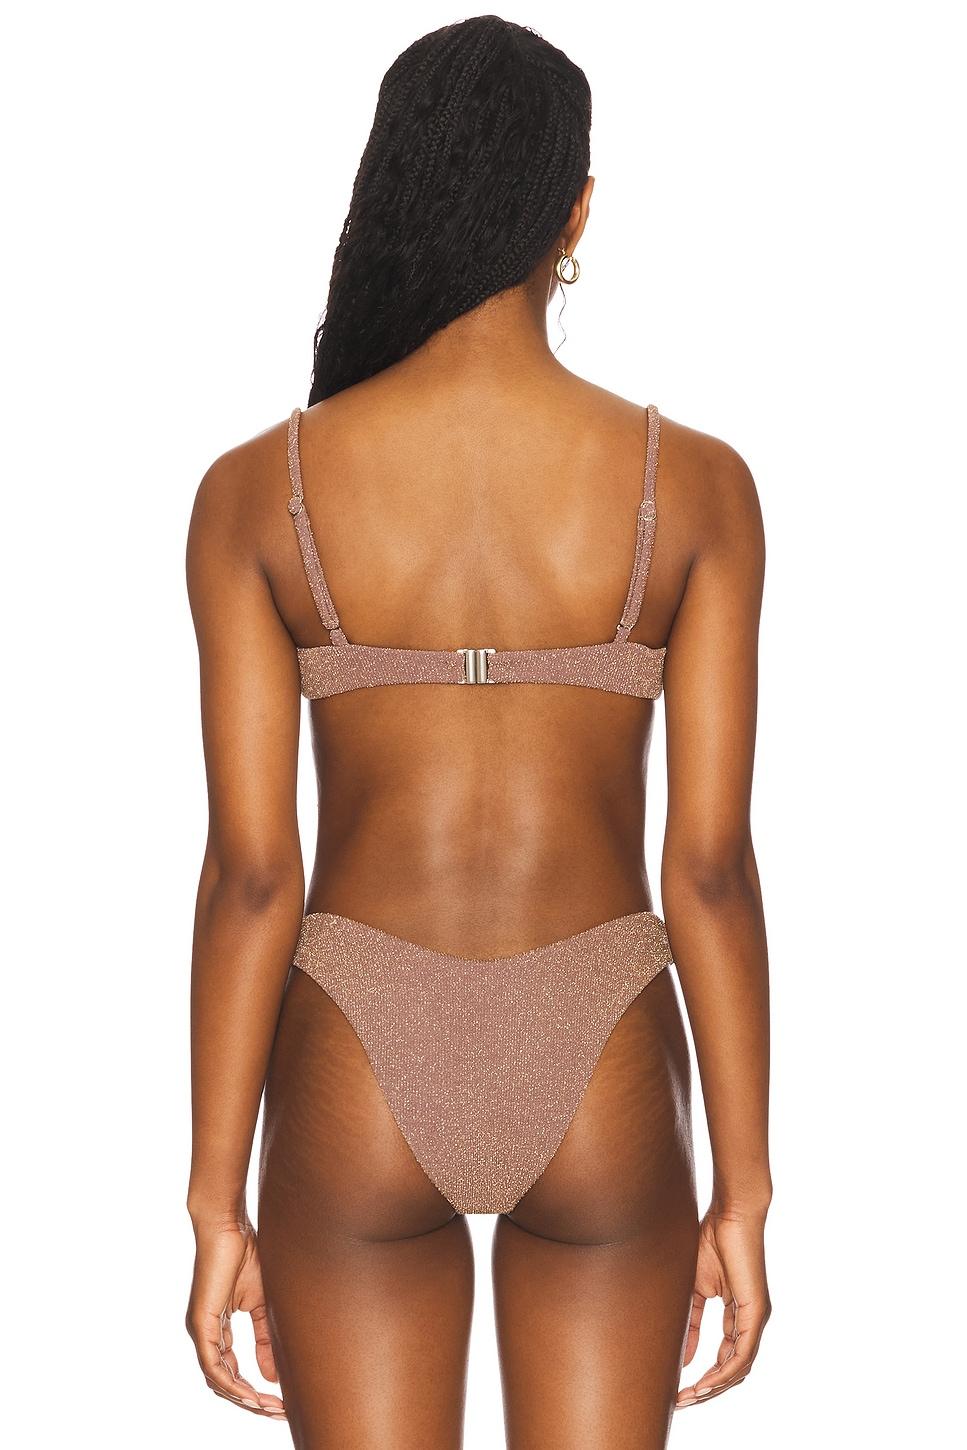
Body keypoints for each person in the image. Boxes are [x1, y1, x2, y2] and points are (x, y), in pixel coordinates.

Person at [184, 15, 772, 1449]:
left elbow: (253, 876)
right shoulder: (694, 486)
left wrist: (213, 1202)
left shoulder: (259, 493)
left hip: (354, 1043)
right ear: (575, 210)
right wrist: (745, 1191)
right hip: (606, 1038)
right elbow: (708, 868)